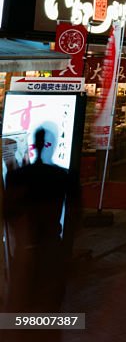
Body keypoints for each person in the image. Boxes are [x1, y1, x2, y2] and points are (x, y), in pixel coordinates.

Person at [3, 126, 78, 315]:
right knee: (49, 302)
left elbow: (8, 212)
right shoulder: (61, 176)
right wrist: (67, 249)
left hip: (26, 248)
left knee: (22, 302)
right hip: (51, 245)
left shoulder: (17, 175)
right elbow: (74, 214)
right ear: (48, 145)